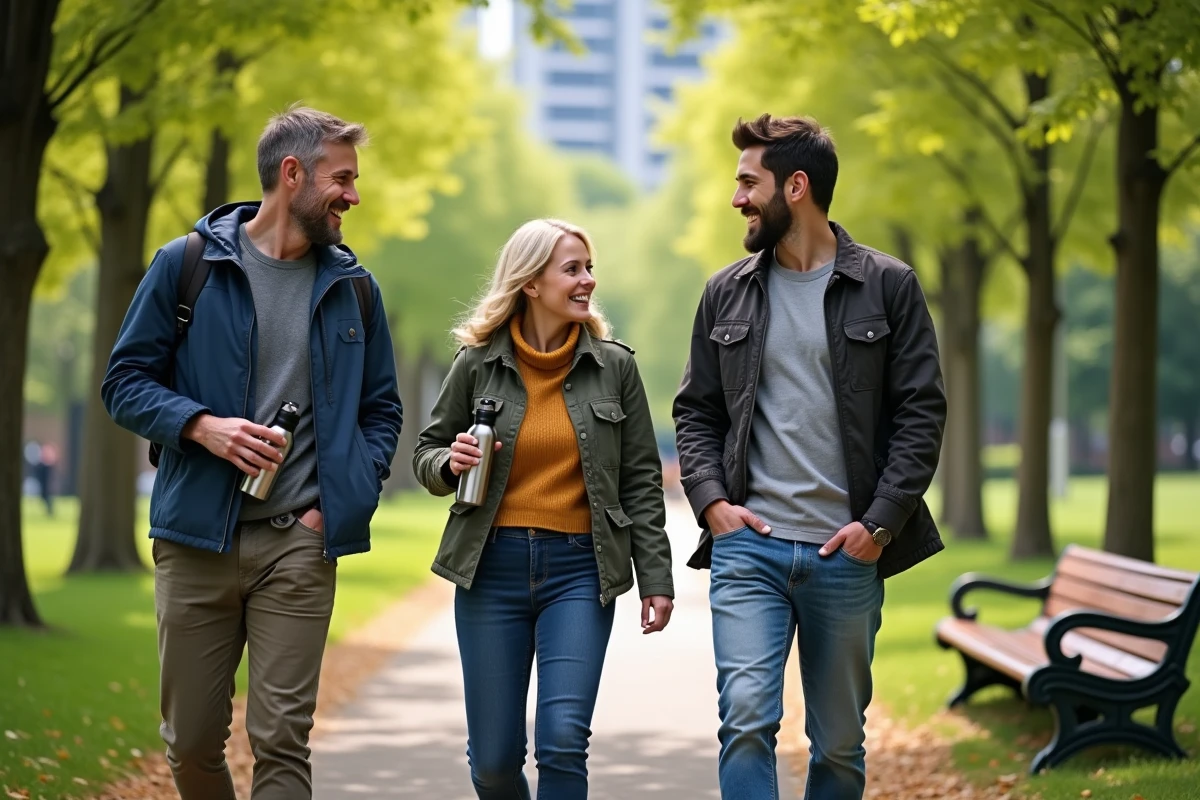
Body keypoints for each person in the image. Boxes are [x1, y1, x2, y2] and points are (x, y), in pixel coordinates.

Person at [102, 106, 402, 800]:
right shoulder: (186, 266)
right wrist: (201, 424)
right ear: (291, 174)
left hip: (299, 543)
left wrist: (338, 499)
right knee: (193, 741)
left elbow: (381, 410)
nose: (353, 195)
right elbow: (123, 383)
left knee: (282, 743)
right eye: (343, 179)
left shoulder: (355, 288)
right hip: (193, 537)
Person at [672, 114, 946, 799]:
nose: (736, 198)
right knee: (744, 721)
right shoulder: (725, 291)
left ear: (796, 187)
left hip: (845, 555)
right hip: (748, 550)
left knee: (840, 746)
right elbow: (696, 412)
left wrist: (879, 525)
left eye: (747, 182)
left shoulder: (888, 286)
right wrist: (711, 503)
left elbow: (922, 415)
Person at [414, 218, 674, 799]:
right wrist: (447, 463)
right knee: (495, 761)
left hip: (580, 571)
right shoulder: (477, 361)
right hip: (490, 570)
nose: (588, 281)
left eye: (589, 268)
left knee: (562, 741)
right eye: (573, 269)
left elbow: (640, 482)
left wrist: (656, 577)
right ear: (530, 283)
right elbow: (427, 452)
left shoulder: (616, 368)